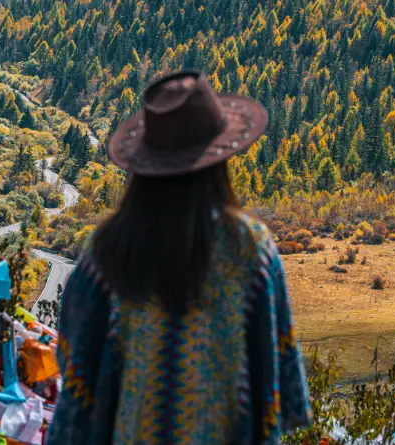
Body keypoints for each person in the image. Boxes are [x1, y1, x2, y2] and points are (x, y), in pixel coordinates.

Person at [47, 71, 311, 445]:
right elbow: (277, 369)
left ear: (145, 163)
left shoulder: (108, 252)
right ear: (220, 158)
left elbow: (76, 371)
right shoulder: (250, 250)